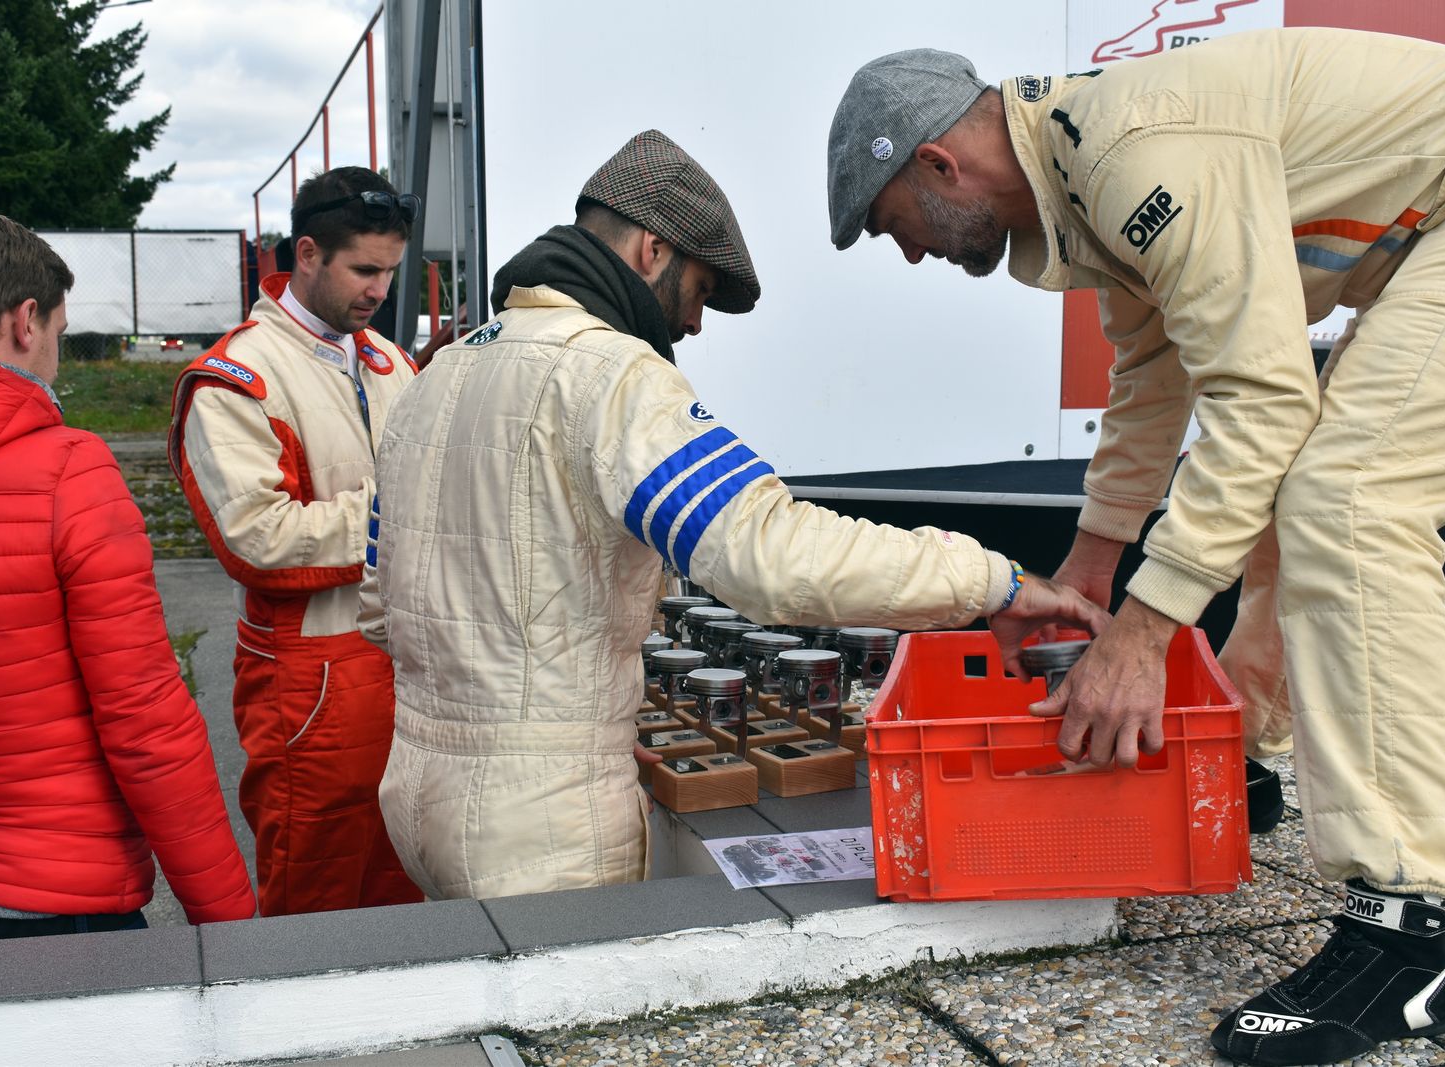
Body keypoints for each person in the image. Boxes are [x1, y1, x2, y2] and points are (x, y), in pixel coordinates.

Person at [826, 29, 1445, 1064]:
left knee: (1346, 501)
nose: (908, 252)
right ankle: (1238, 766)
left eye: (892, 224)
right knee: (1292, 498)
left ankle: (1405, 939)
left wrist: (1141, 635)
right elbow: (1153, 379)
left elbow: (1260, 399)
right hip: (1437, 219)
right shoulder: (1079, 170)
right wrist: (1089, 571)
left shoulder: (1134, 152)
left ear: (938, 164)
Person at [362, 129, 1108, 902]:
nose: (694, 324)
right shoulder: (612, 374)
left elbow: (380, 607)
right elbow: (769, 557)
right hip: (540, 827)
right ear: (653, 250)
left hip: (417, 798)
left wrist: (533, 704)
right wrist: (994, 581)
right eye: (699, 290)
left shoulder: (431, 379)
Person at [0, 212, 255, 945]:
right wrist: (229, 926)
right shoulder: (68, 472)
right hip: (55, 909)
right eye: (59, 330)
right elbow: (147, 725)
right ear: (25, 322)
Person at [168, 167, 423, 916]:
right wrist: (409, 514)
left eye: (390, 271)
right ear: (307, 253)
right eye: (365, 270)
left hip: (408, 668)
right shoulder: (235, 377)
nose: (380, 290)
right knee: (314, 900)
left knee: (409, 885)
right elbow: (257, 538)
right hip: (310, 684)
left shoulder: (391, 363)